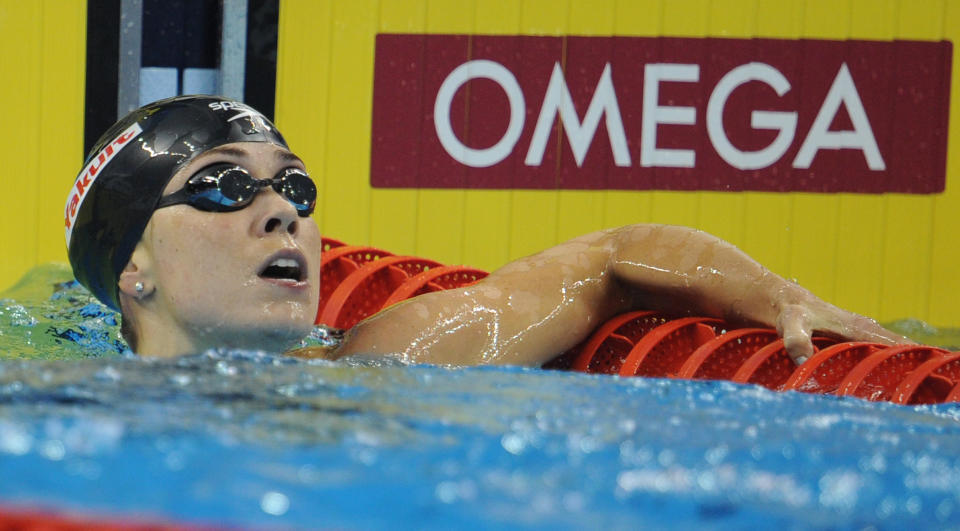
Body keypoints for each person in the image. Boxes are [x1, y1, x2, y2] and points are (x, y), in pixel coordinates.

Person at [65, 95, 909, 365]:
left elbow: (608, 258)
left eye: (294, 185)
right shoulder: (59, 410)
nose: (284, 209)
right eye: (222, 187)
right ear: (131, 265)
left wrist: (777, 296)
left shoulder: (383, 361)